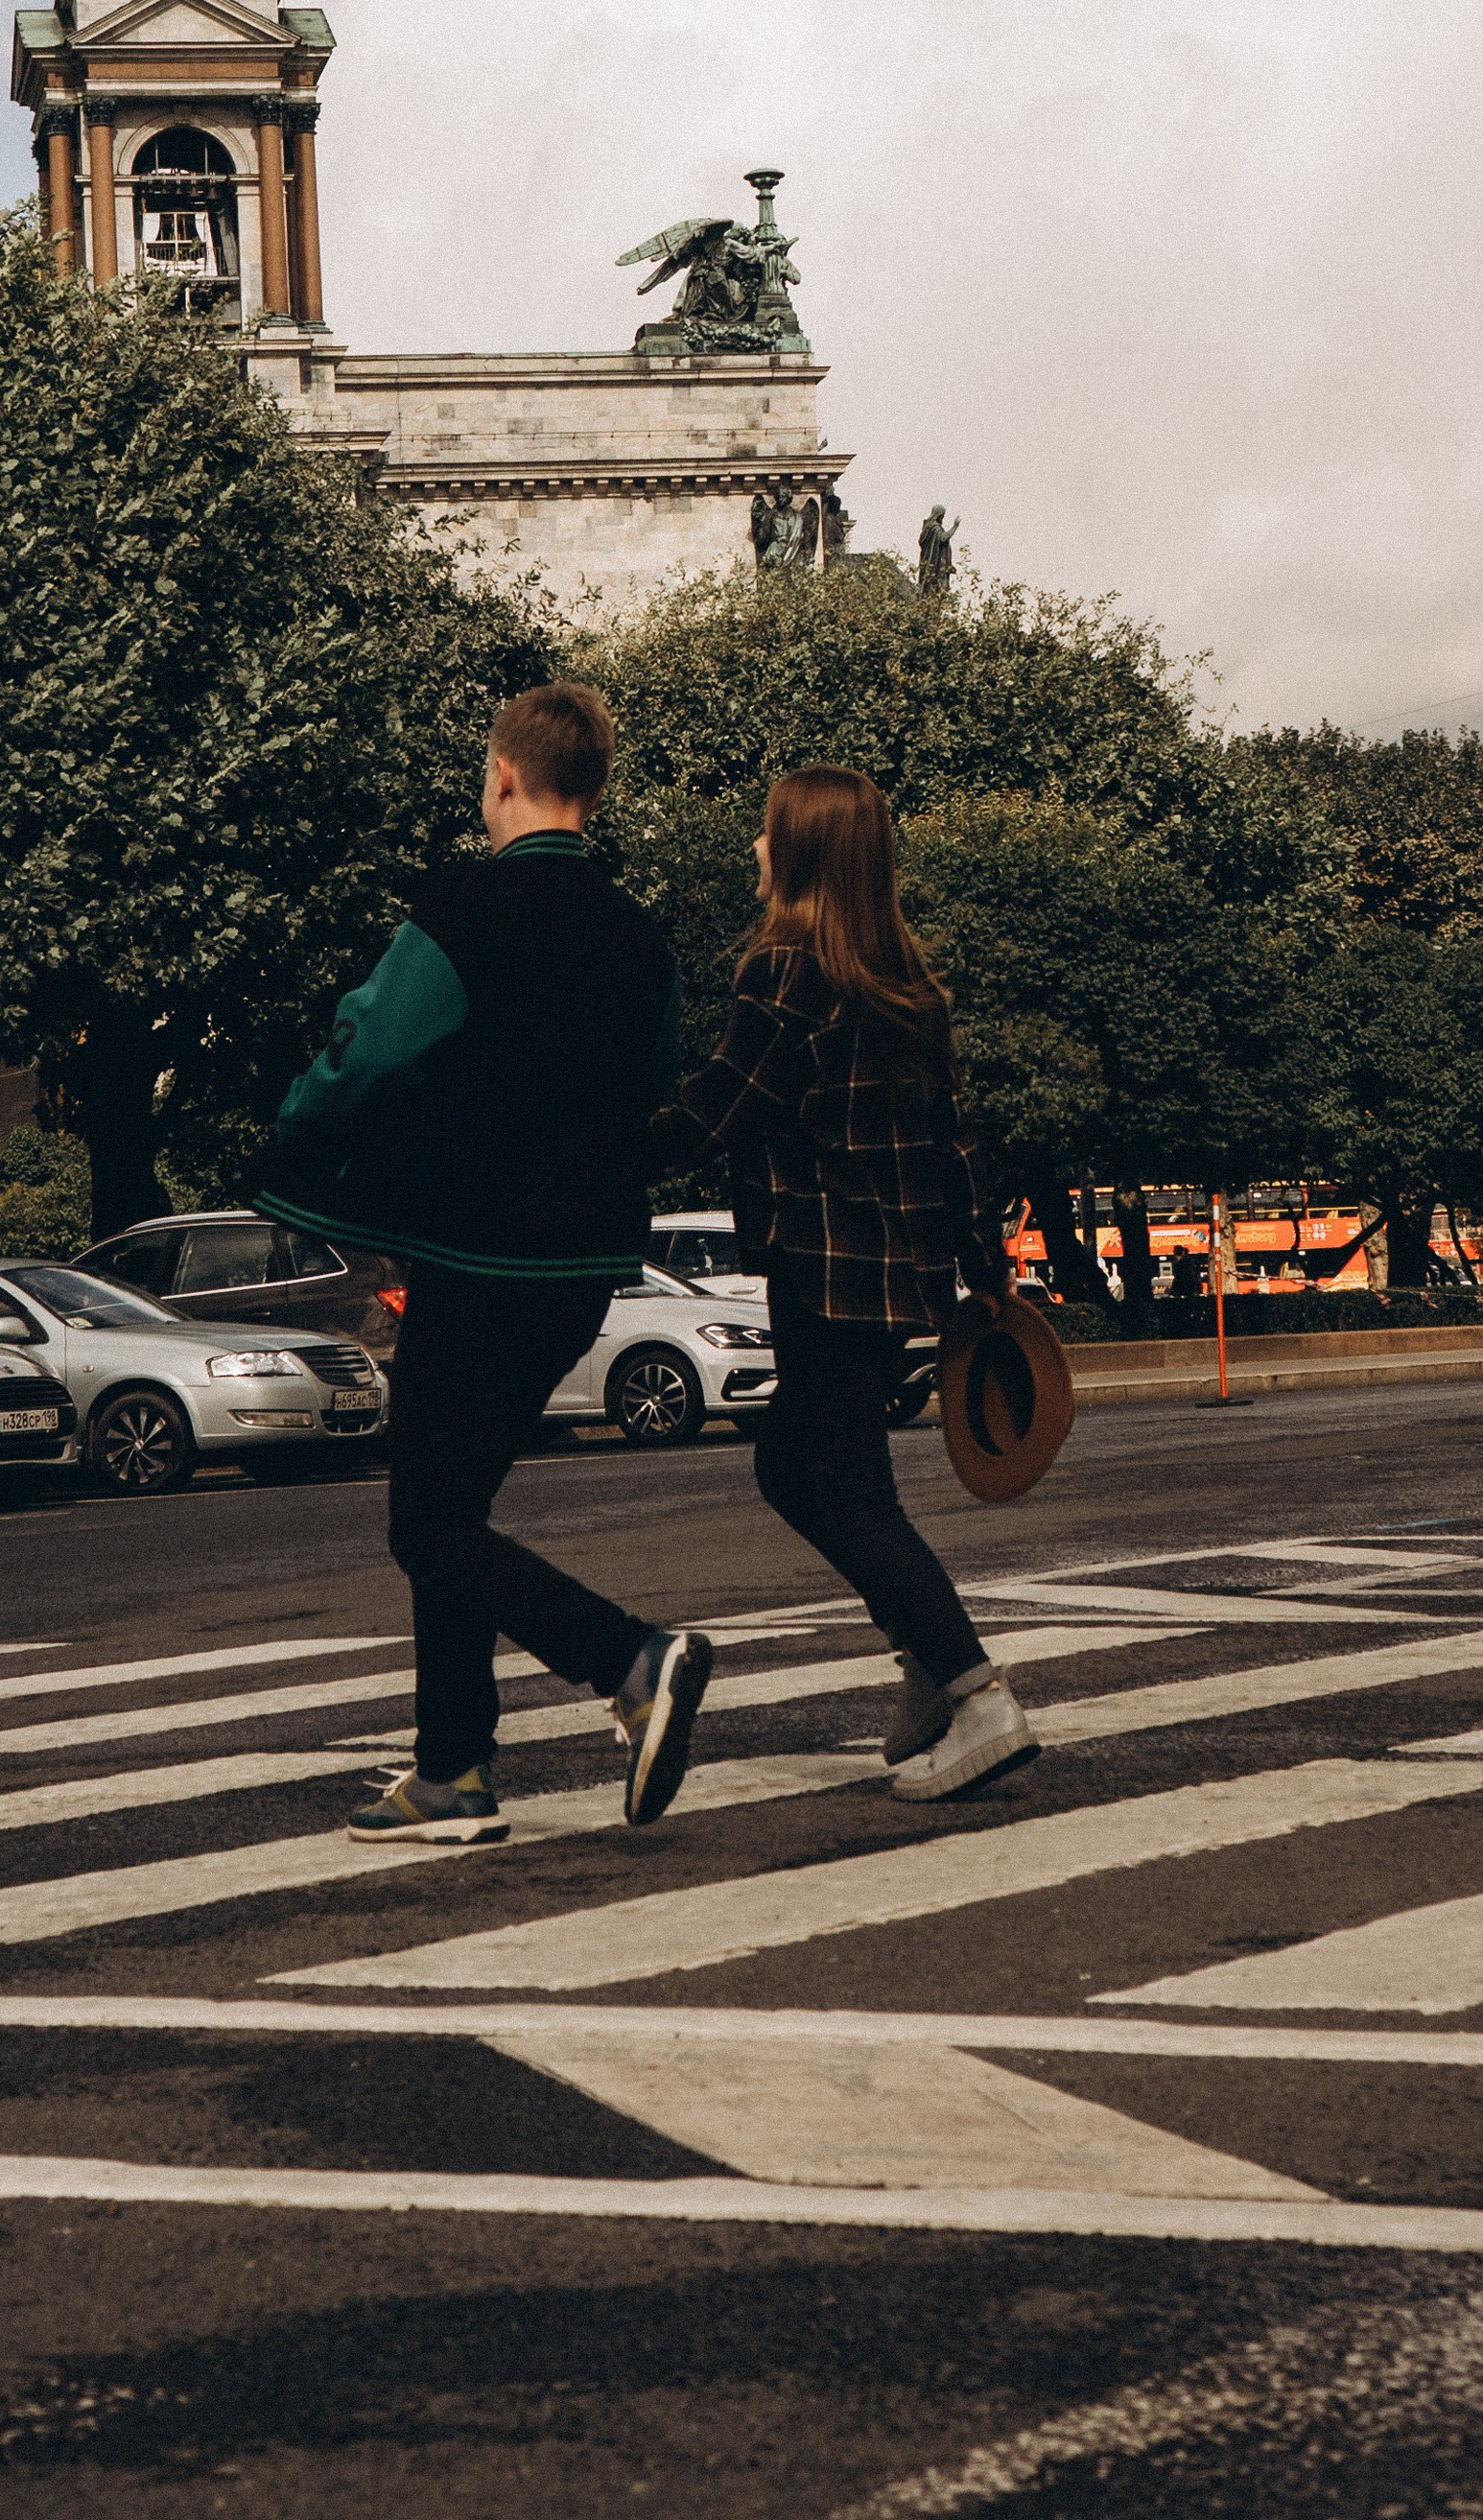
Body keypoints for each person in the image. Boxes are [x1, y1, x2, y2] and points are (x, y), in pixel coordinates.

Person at [259, 682, 713, 1845]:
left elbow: (370, 1044)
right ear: (593, 788)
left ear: (502, 776)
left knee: (427, 1525)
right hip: (585, 1263)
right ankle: (450, 1768)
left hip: (474, 1252)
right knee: (448, 1507)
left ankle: (626, 1658)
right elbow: (654, 1084)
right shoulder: (637, 932)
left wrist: (296, 1132)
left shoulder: (464, 907)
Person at [658, 765, 1040, 1802]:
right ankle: (925, 1663)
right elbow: (952, 1142)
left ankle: (973, 1689)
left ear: (805, 854)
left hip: (821, 1270)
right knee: (835, 1477)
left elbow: (714, 1108)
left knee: (815, 1478)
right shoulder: (908, 989)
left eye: (765, 834)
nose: (753, 850)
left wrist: (567, 1158)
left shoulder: (784, 972)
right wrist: (982, 1266)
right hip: (895, 1278)